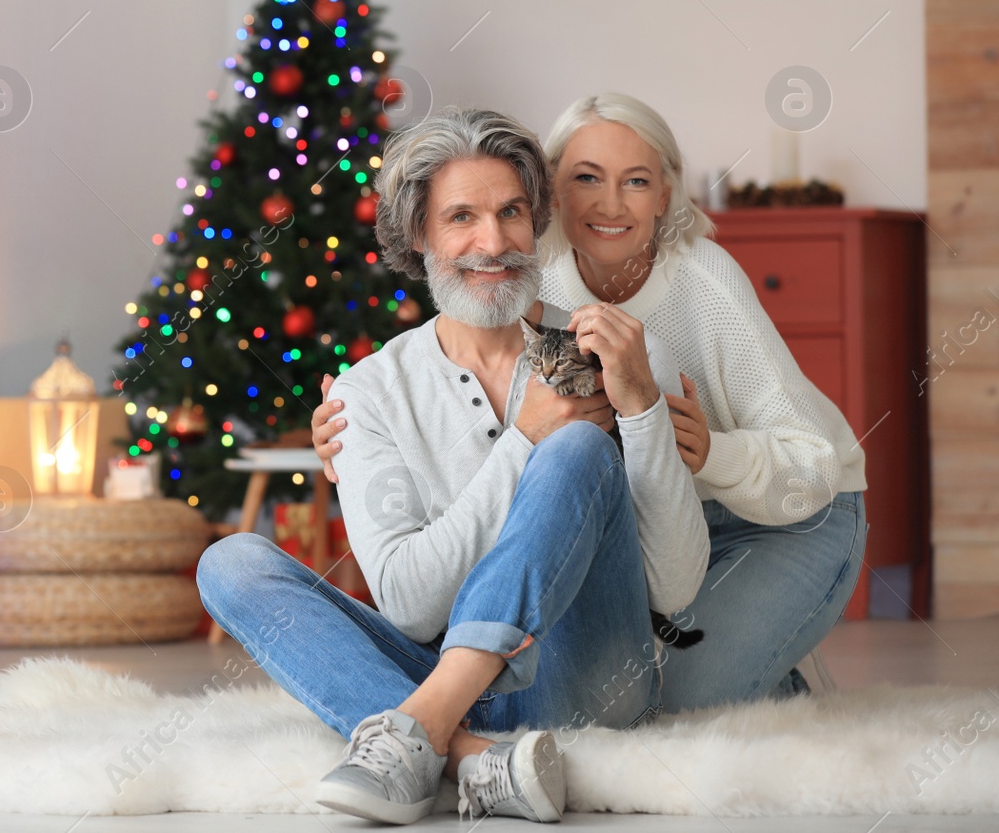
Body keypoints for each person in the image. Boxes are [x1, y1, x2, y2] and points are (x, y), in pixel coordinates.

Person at [196, 107, 708, 825]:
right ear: (420, 233)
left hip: (586, 683)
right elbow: (407, 603)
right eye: (461, 216)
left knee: (579, 445)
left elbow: (677, 585)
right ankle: (474, 755)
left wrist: (643, 409)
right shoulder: (369, 392)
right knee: (230, 563)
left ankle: (419, 731)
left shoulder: (617, 350)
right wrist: (521, 441)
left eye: (511, 212)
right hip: (434, 666)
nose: (492, 242)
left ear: (537, 222)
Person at [312, 92, 868, 713]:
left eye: (635, 181)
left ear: (664, 195)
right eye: (586, 179)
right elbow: (462, 362)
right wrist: (355, 428)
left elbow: (811, 465)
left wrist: (709, 449)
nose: (609, 204)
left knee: (679, 705)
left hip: (785, 505)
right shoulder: (524, 270)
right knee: (634, 676)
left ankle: (770, 661)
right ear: (554, 195)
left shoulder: (706, 284)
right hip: (665, 507)